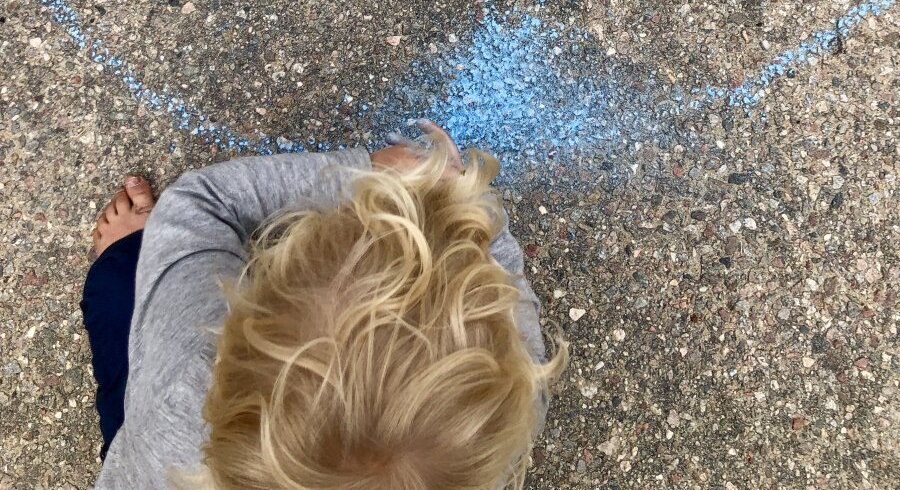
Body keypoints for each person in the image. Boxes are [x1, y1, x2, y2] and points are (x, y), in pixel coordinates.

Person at [80, 122, 564, 489]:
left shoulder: (185, 401)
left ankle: (125, 253)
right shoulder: (500, 431)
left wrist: (367, 172)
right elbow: (513, 312)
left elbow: (201, 203)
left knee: (130, 311)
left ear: (229, 362)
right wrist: (472, 219)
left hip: (152, 464)